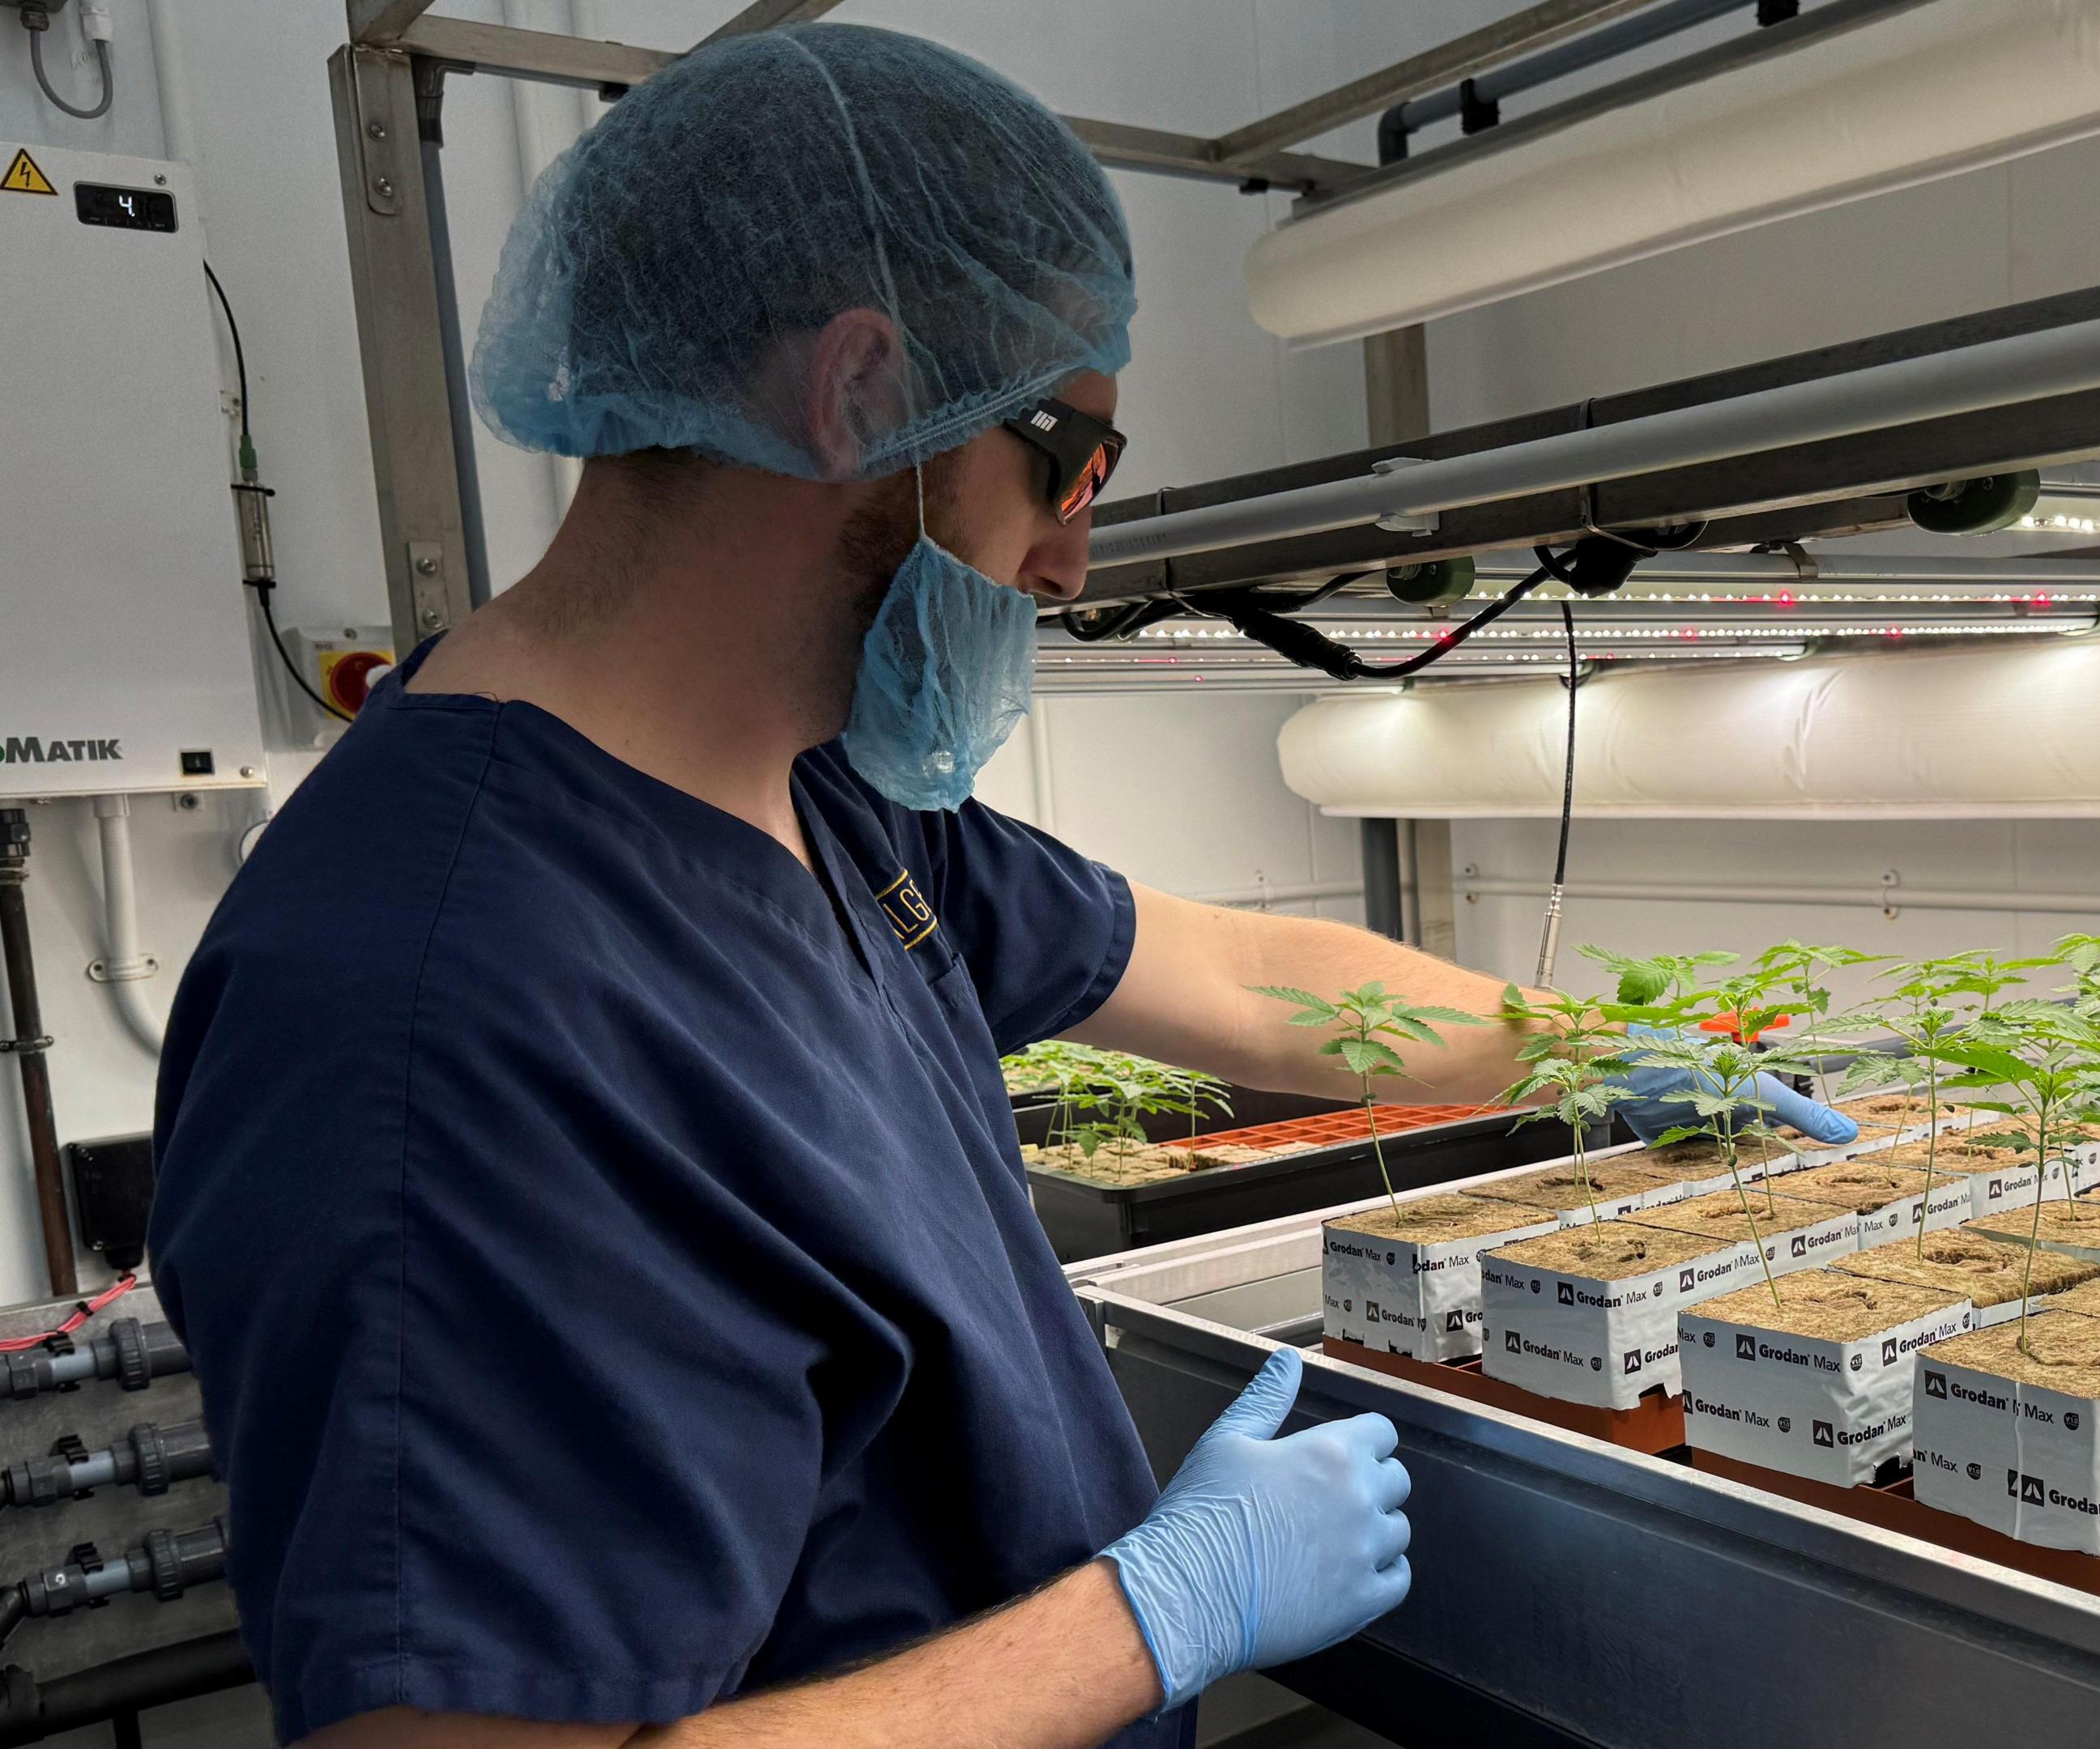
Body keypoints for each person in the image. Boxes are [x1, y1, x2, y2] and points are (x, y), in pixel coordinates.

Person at [147, 23, 1854, 1749]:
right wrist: (1156, 1612)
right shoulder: (440, 1020)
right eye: (1070, 460)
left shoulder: (829, 794)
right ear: (867, 395)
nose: (1075, 553)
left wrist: (1584, 1051)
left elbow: (1234, 973)